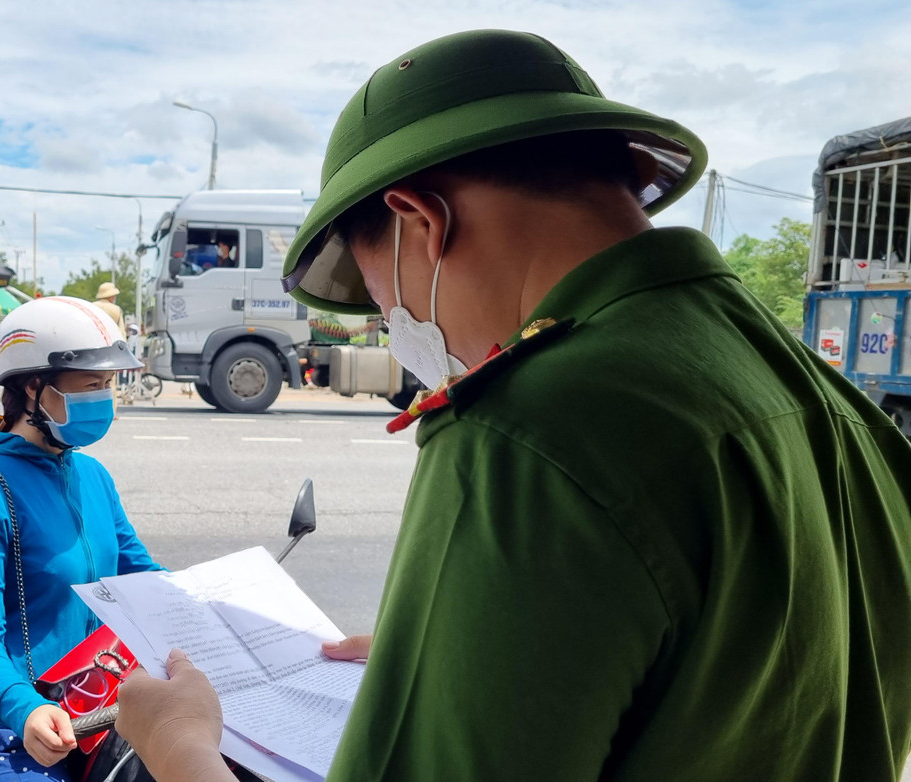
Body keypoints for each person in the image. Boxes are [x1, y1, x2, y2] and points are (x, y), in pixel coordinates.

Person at [114, 29, 911, 781]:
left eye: (386, 301)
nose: (400, 331)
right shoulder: (832, 401)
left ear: (419, 222)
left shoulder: (527, 429)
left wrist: (180, 744)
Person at [0, 295, 161, 781]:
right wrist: (24, 710)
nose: (106, 398)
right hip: (6, 734)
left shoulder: (92, 475)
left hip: (98, 714)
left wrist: (218, 606)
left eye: (110, 385)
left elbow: (144, 578)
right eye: (92, 385)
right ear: (35, 388)